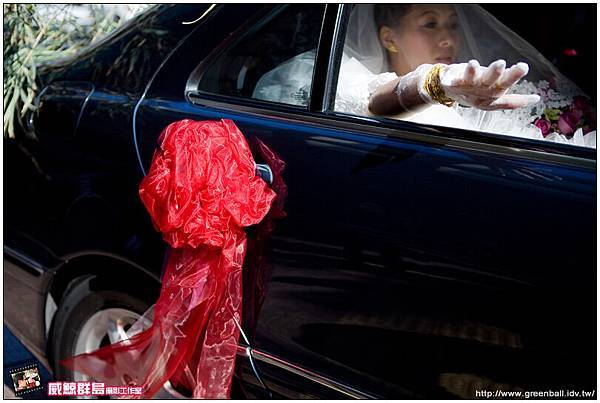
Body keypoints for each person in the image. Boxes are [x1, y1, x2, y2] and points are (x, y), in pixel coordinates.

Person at [336, 4, 595, 147]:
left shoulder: (471, 94)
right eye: (430, 23)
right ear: (389, 38)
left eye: (453, 24)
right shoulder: (352, 78)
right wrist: (434, 83)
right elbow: (375, 103)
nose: (448, 39)